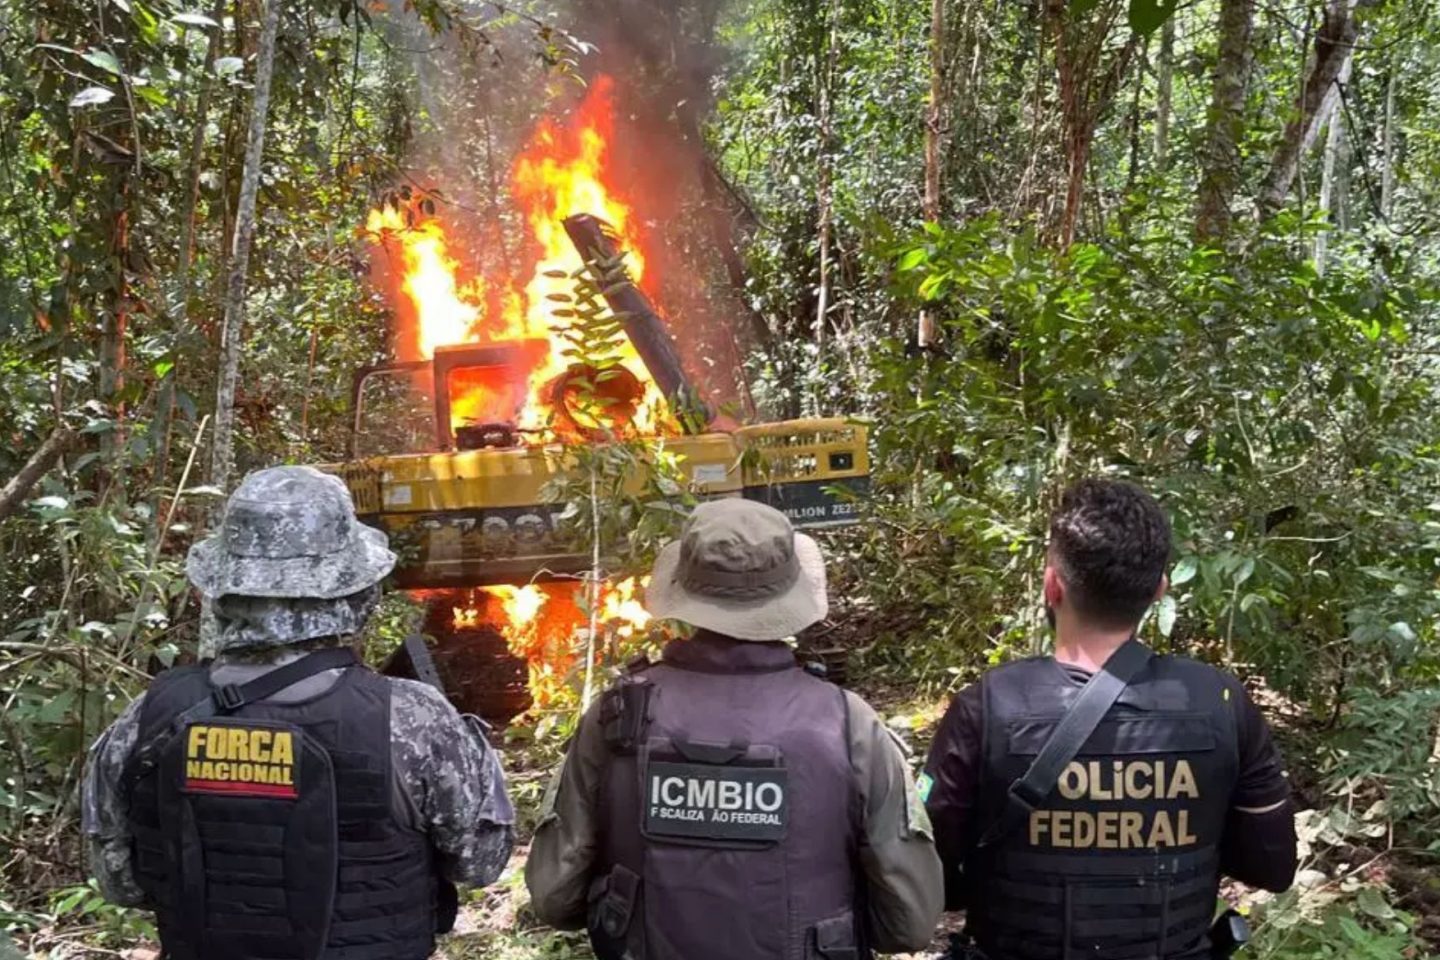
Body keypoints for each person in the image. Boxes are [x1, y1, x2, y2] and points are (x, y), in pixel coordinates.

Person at [82, 466, 516, 960]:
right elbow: (480, 863)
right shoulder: (412, 720)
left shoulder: (150, 717)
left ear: (224, 592)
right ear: (353, 593)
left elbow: (120, 881)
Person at [525, 498, 943, 959]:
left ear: (685, 589)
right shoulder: (848, 723)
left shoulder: (615, 716)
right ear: (787, 592)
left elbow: (553, 894)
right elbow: (910, 920)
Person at [923, 478, 1298, 960]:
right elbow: (1273, 868)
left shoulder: (986, 706)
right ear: (1159, 591)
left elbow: (930, 866)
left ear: (1052, 584)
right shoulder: (1221, 701)